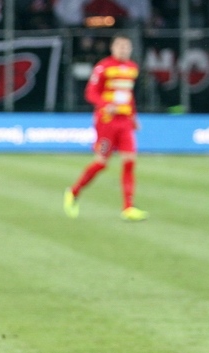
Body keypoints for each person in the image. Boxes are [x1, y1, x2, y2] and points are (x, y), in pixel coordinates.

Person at [64, 34, 148, 221]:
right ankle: (74, 192)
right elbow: (90, 93)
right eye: (120, 46)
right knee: (101, 162)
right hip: (106, 122)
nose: (123, 50)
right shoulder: (103, 67)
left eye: (126, 47)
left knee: (129, 161)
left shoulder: (132, 68)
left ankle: (128, 207)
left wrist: (133, 116)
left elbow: (128, 95)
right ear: (113, 48)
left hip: (124, 122)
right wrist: (105, 104)